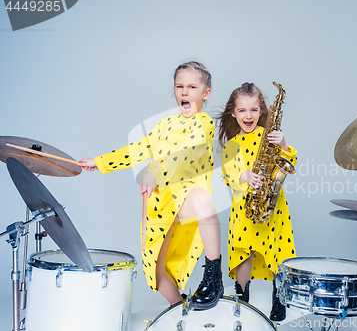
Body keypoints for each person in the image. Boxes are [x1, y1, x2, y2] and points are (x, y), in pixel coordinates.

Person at [78, 61, 223, 310]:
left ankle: (213, 276)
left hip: (187, 197)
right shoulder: (164, 126)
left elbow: (185, 153)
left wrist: (152, 172)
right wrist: (100, 161)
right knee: (157, 275)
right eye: (179, 86)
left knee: (203, 199)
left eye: (192, 86)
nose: (185, 92)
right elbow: (137, 149)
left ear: (205, 93)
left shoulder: (205, 124)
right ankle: (182, 311)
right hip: (160, 203)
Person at [218, 82, 297, 321]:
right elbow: (228, 174)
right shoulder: (232, 145)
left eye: (253, 110)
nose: (248, 116)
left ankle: (279, 297)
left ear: (262, 111)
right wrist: (244, 176)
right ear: (233, 113)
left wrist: (282, 143)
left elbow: (290, 161)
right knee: (244, 251)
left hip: (273, 206)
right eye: (242, 111)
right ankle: (242, 296)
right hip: (245, 207)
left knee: (277, 250)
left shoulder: (269, 136)